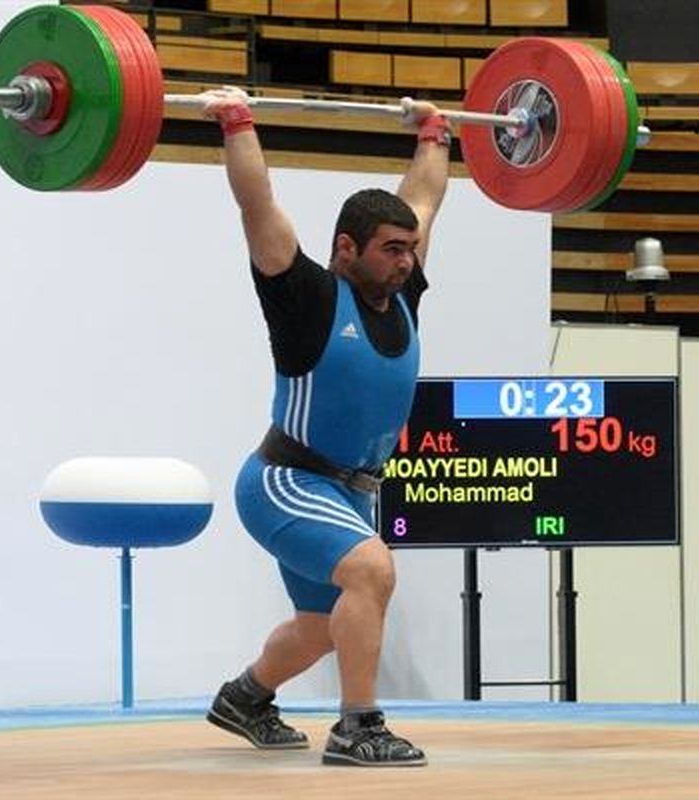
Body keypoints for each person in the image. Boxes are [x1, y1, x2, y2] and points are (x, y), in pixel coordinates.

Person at [199, 86, 449, 766]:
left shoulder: (402, 293)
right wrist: (236, 121)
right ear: (347, 248)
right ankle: (357, 726)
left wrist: (434, 133)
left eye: (410, 249)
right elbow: (258, 204)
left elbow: (424, 197)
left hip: (351, 491)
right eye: (392, 249)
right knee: (371, 572)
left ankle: (245, 697)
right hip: (286, 480)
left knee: (321, 626)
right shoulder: (305, 295)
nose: (405, 261)